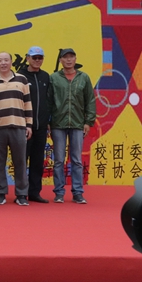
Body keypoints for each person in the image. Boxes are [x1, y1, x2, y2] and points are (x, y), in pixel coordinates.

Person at [0, 52, 32, 206]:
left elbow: (27, 103)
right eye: (0, 60)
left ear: (11, 62)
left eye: (6, 60)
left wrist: (29, 125)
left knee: (20, 162)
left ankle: (22, 194)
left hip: (19, 126)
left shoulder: (22, 79)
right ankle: (0, 193)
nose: (3, 63)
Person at [48, 48, 96, 204]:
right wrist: (48, 121)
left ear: (75, 59)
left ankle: (78, 192)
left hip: (77, 123)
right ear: (60, 60)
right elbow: (49, 101)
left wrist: (88, 122)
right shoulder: (54, 78)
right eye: (65, 57)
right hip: (58, 123)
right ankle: (59, 192)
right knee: (59, 160)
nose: (68, 60)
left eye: (71, 57)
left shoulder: (84, 78)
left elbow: (90, 100)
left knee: (76, 160)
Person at [18, 46, 51, 203]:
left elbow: (49, 100)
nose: (37, 60)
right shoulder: (20, 76)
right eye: (34, 57)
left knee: (37, 161)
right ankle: (21, 193)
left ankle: (34, 193)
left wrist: (48, 121)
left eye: (40, 58)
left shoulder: (46, 76)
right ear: (27, 58)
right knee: (22, 160)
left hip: (41, 126)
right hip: (24, 126)